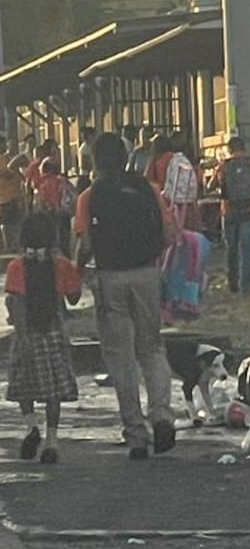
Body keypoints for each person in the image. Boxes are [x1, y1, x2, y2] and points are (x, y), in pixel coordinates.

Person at [74, 131, 175, 460]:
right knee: (152, 347)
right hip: (146, 274)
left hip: (110, 277)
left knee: (121, 357)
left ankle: (135, 433)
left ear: (94, 161)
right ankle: (161, 415)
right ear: (126, 157)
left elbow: (85, 243)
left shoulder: (90, 196)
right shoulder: (148, 189)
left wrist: (78, 272)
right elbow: (168, 234)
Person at [5, 210, 82, 465]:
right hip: (53, 330)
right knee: (53, 390)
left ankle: (31, 426)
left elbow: (16, 301)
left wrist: (22, 334)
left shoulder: (17, 266)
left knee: (24, 384)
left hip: (27, 331)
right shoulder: (61, 265)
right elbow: (74, 298)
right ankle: (52, 441)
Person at [211, 136, 250, 296]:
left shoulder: (223, 166)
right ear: (244, 148)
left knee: (231, 248)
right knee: (247, 249)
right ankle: (246, 286)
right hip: (249, 211)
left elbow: (211, 185)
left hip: (229, 211)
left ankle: (232, 283)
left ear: (229, 149)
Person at [0, 137, 26, 250]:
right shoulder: (2, 160)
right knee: (7, 223)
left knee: (16, 223)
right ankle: (8, 245)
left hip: (15, 197)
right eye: (3, 144)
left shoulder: (7, 157)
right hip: (4, 198)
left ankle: (15, 244)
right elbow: (8, 173)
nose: (5, 146)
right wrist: (14, 164)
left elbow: (19, 175)